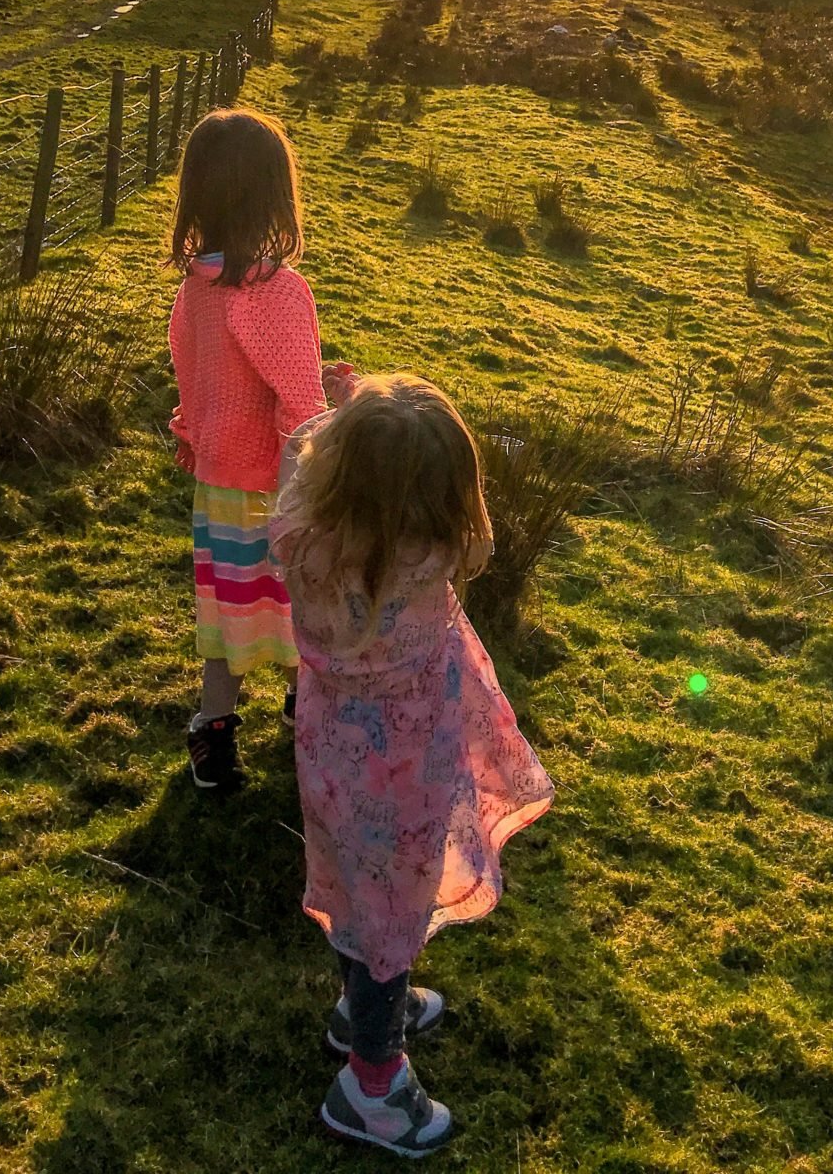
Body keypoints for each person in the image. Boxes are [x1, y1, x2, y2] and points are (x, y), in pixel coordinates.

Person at [272, 374, 555, 1155]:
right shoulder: (434, 556)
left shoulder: (303, 540)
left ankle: (357, 1010)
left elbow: (303, 459)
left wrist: (349, 413)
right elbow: (483, 541)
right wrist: (376, 417)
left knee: (353, 891)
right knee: (391, 921)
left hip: (331, 759)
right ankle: (372, 1084)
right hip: (407, 778)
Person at [167, 108, 331, 793]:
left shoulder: (196, 291)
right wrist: (331, 426)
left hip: (219, 489)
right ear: (273, 197)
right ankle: (309, 710)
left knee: (228, 617)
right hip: (282, 488)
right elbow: (298, 403)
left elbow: (191, 371)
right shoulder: (279, 293)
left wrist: (193, 434)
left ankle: (214, 732)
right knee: (302, 606)